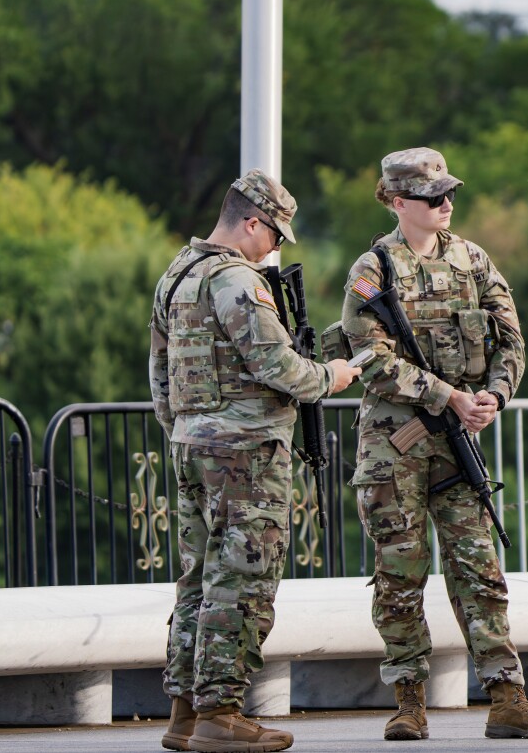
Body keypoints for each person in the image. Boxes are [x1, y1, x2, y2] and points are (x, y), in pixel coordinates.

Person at [340, 147, 528, 742]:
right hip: (396, 445)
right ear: (396, 202)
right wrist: (448, 396)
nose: (445, 204)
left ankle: (506, 696)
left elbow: (511, 339)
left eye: (449, 194)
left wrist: (493, 394)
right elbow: (369, 359)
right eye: (431, 197)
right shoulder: (374, 270)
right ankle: (408, 701)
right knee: (400, 571)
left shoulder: (473, 260)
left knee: (479, 567)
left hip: (458, 437)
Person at [149, 169, 360, 753]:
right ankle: (222, 713)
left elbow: (160, 375)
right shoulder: (237, 281)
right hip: (247, 452)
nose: (277, 248)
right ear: (251, 222)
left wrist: (187, 432)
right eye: (275, 235)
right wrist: (332, 376)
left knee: (197, 578)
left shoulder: (177, 274)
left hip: (192, 446)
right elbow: (278, 366)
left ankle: (184, 712)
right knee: (242, 580)